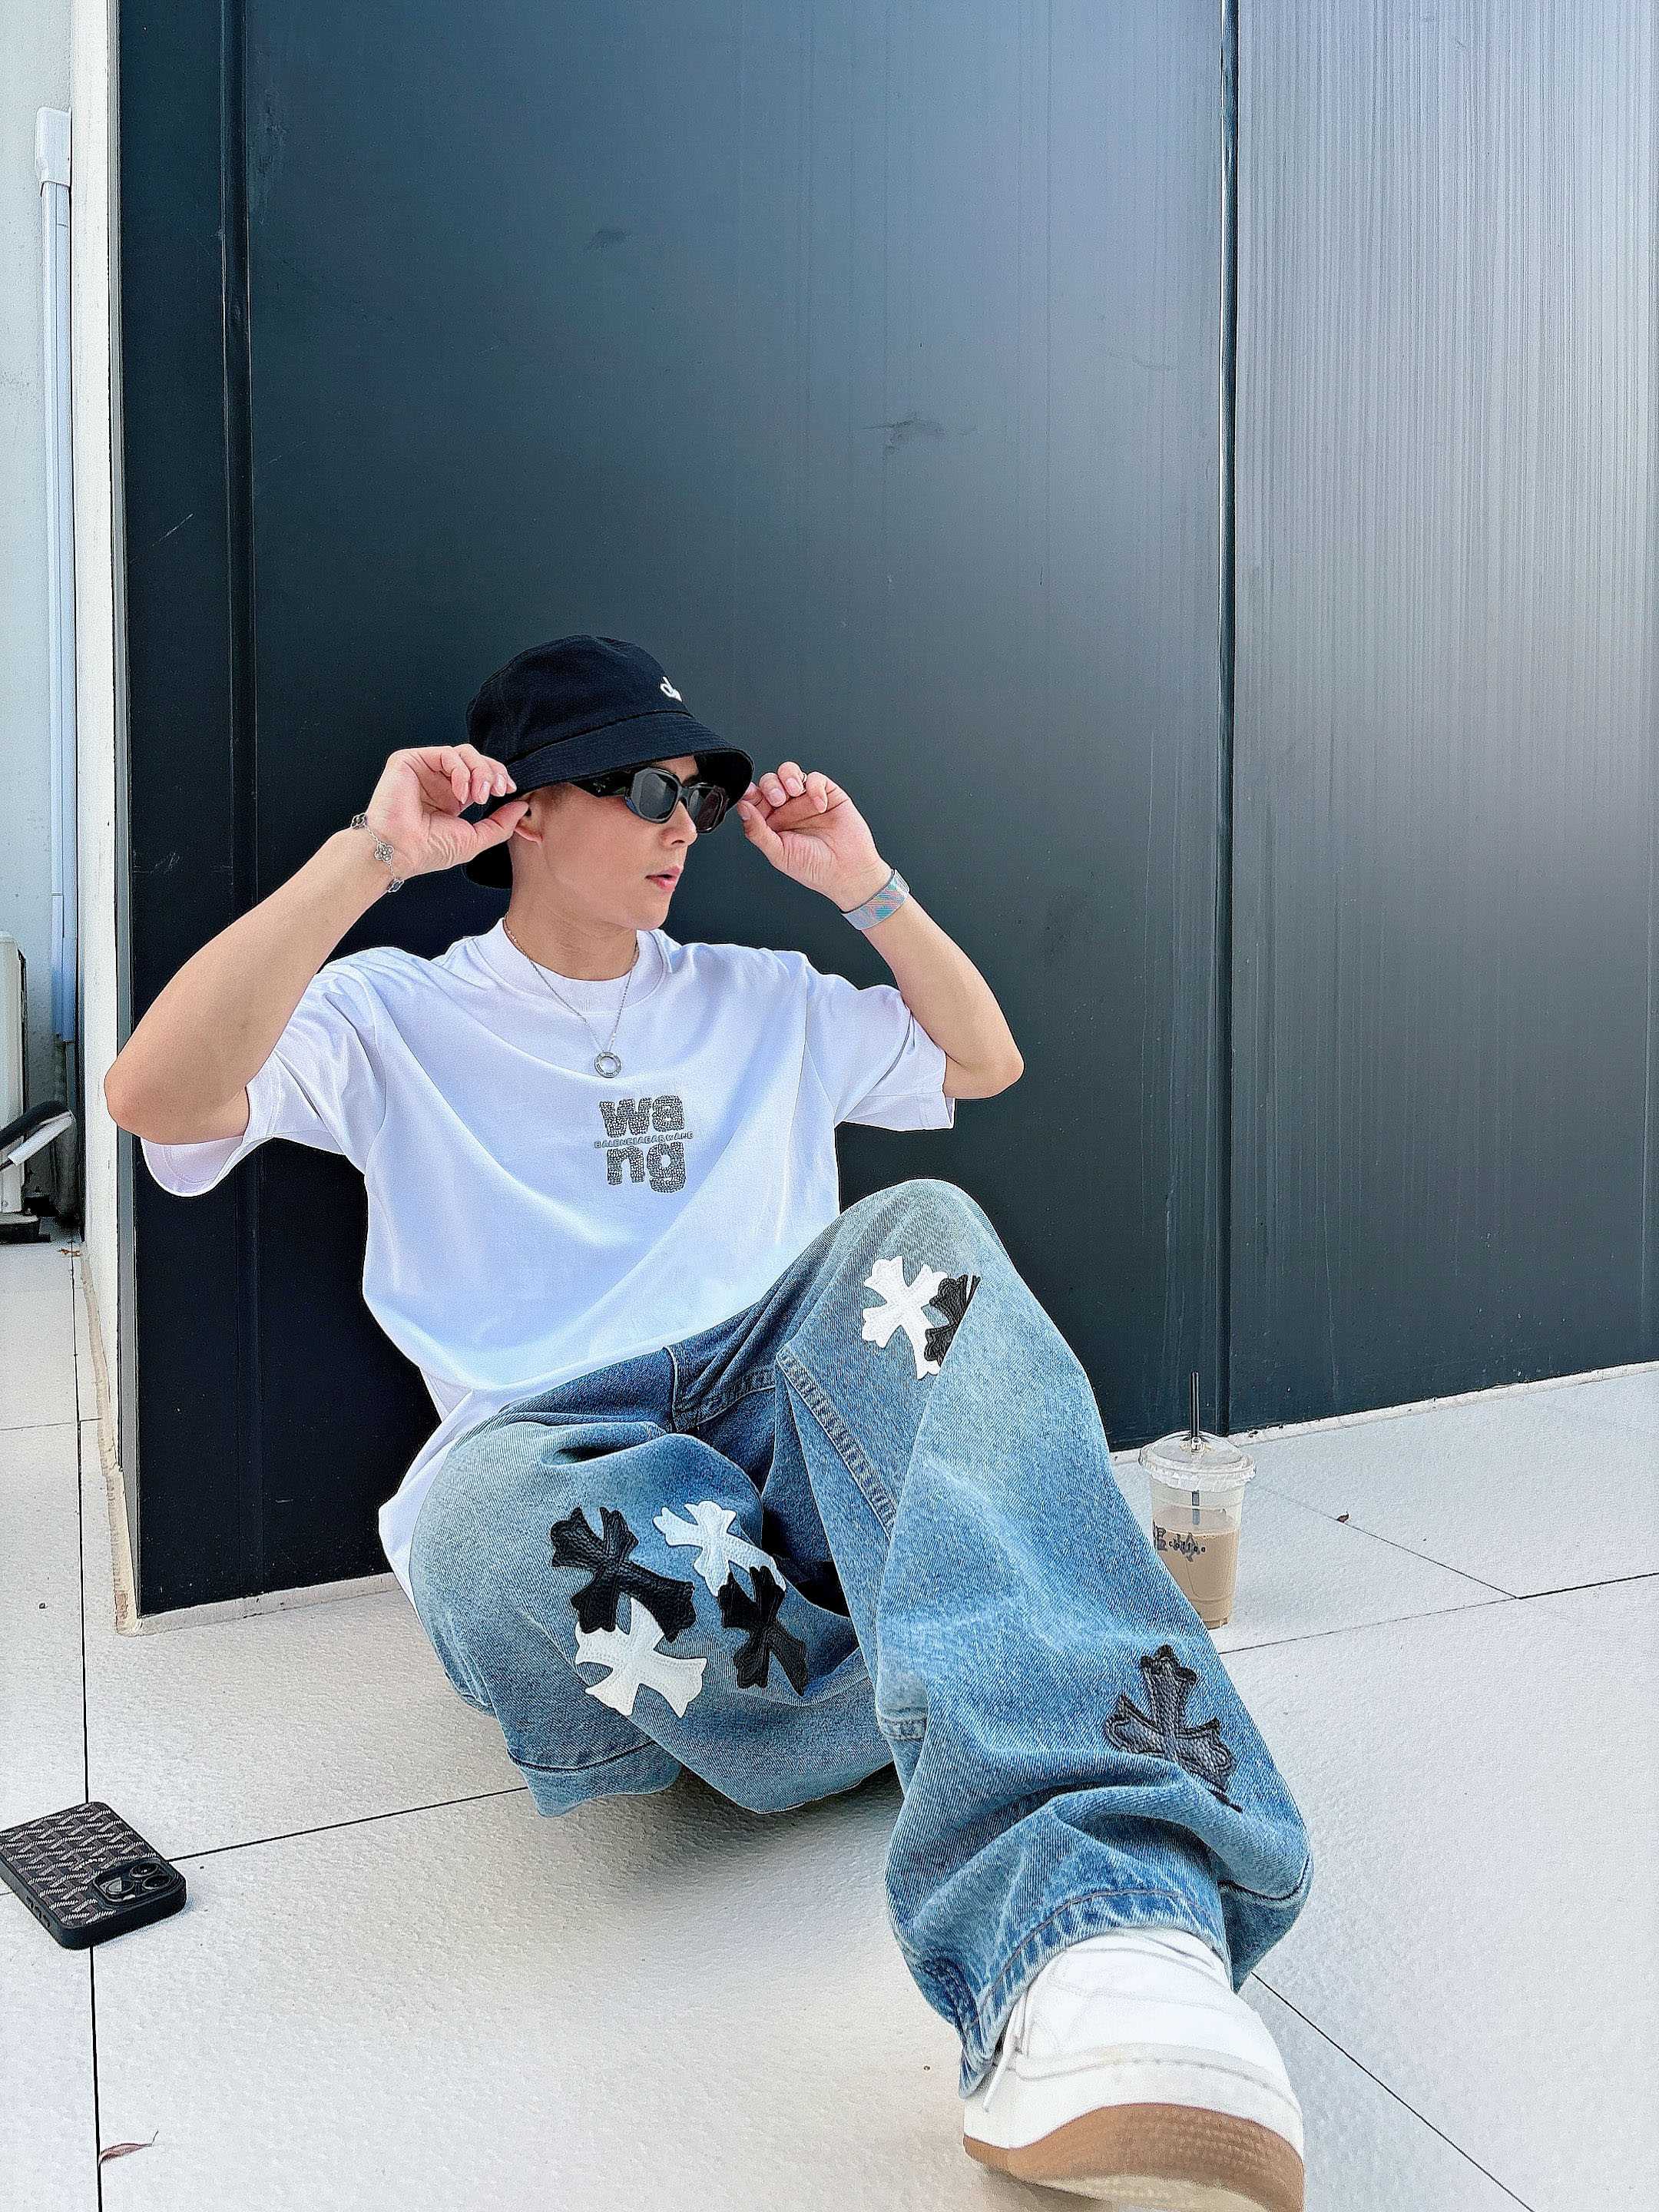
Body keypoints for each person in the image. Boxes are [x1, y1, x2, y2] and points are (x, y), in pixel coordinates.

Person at [106, 636, 1313, 2208]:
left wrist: (865, 887)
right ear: (527, 809)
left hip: (790, 1412)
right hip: (577, 1470)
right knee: (470, 1530)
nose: (686, 824)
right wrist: (371, 857)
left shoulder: (759, 995)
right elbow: (156, 1099)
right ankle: (962, 1645)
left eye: (704, 793)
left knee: (929, 1236)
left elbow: (982, 1057)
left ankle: (1107, 1935)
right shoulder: (393, 1013)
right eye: (646, 788)